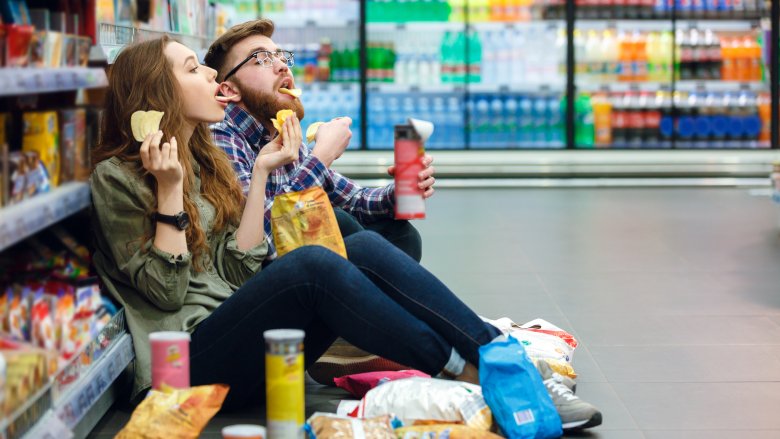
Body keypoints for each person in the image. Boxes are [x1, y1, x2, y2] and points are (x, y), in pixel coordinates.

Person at [89, 36, 602, 430]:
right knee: (316, 263)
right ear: (158, 94)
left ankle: (496, 357)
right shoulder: (120, 177)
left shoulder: (203, 158)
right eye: (191, 68)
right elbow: (168, 290)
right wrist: (170, 191)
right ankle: (477, 376)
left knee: (356, 243)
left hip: (239, 334)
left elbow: (237, 266)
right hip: (182, 368)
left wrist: (267, 171)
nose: (208, 75)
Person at [203, 19, 432, 263]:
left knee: (401, 235)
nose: (282, 66)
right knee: (340, 221)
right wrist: (321, 157)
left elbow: (354, 200)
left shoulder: (279, 132)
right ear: (229, 90)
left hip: (304, 262)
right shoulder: (221, 136)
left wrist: (400, 191)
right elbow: (262, 245)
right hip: (267, 277)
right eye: (261, 59)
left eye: (281, 56)